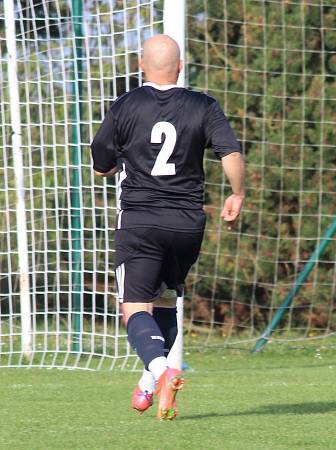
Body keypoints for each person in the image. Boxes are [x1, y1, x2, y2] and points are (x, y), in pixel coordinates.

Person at [91, 35, 245, 419]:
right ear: (181, 66)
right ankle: (148, 383)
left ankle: (161, 371)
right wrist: (237, 194)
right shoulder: (204, 105)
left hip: (141, 219)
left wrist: (116, 162)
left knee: (134, 306)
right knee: (165, 300)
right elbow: (230, 152)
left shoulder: (126, 105)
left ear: (141, 65)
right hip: (187, 222)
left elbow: (101, 162)